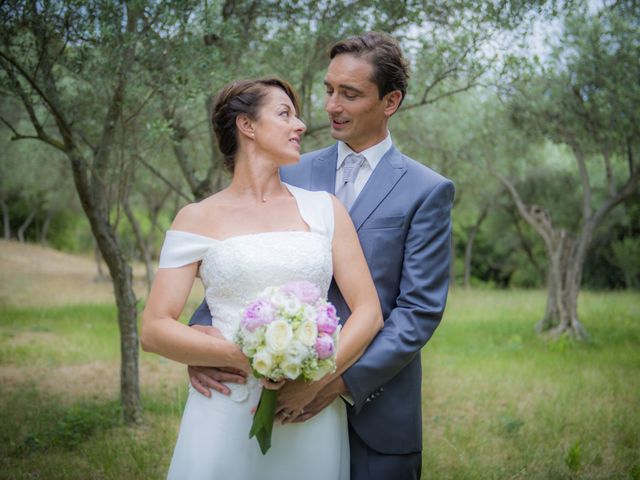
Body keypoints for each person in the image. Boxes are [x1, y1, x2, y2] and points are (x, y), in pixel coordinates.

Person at [189, 32, 455, 480]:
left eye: (349, 94)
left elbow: (418, 311)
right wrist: (201, 340)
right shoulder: (291, 166)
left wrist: (333, 383)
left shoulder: (426, 191)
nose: (332, 106)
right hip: (274, 400)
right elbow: (242, 254)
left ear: (390, 102)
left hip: (376, 405)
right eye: (329, 90)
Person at [141, 77, 383, 480]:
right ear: (247, 126)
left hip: (307, 408)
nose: (302, 125)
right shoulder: (196, 217)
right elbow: (154, 329)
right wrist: (237, 357)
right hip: (227, 402)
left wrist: (317, 378)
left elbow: (369, 312)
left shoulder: (326, 210)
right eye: (285, 114)